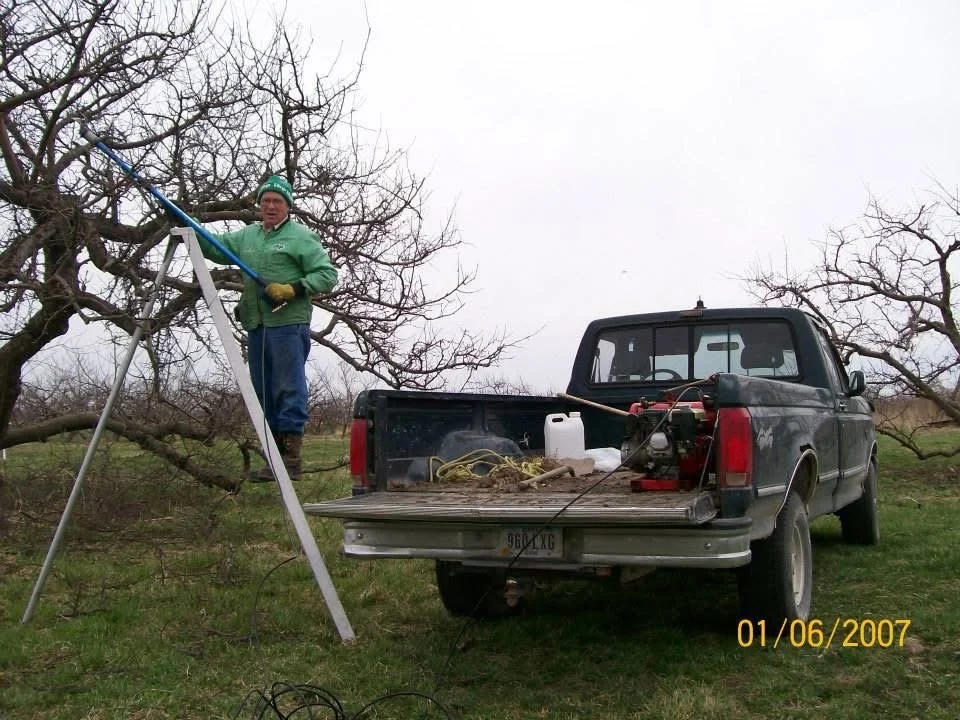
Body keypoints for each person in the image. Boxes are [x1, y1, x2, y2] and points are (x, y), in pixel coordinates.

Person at [197, 175, 338, 481]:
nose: (270, 206)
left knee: (289, 387)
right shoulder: (248, 236)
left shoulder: (302, 237)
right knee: (262, 390)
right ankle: (272, 458)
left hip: (288, 322)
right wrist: (190, 229)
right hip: (256, 322)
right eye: (266, 200)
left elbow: (327, 274)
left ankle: (290, 458)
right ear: (259, 204)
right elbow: (216, 247)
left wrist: (294, 288)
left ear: (288, 205)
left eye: (277, 201)